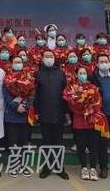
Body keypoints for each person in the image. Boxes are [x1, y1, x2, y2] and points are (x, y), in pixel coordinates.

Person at [35, 50, 69, 180]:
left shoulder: (60, 73)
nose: (49, 58)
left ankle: (59, 168)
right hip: (44, 114)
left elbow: (66, 93)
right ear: (42, 59)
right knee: (47, 142)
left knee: (58, 142)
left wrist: (66, 112)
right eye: (46, 56)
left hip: (58, 113)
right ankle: (47, 168)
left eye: (51, 56)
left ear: (54, 58)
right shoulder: (38, 74)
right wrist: (36, 112)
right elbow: (35, 94)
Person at [64, 67, 100, 181]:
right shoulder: (73, 88)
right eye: (80, 73)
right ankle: (84, 167)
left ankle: (93, 168)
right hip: (79, 121)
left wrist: (90, 110)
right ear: (76, 75)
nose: (82, 75)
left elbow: (98, 103)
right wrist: (82, 111)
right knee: (81, 146)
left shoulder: (93, 87)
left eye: (84, 73)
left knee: (93, 146)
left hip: (92, 121)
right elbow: (71, 105)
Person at [3, 55, 34, 173]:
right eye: (15, 62)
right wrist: (16, 106)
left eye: (19, 62)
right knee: (13, 142)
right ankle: (14, 165)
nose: (18, 64)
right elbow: (6, 95)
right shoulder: (7, 78)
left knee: (24, 142)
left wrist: (24, 105)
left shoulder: (28, 77)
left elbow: (32, 94)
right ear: (11, 64)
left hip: (25, 115)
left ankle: (24, 164)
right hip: (11, 116)